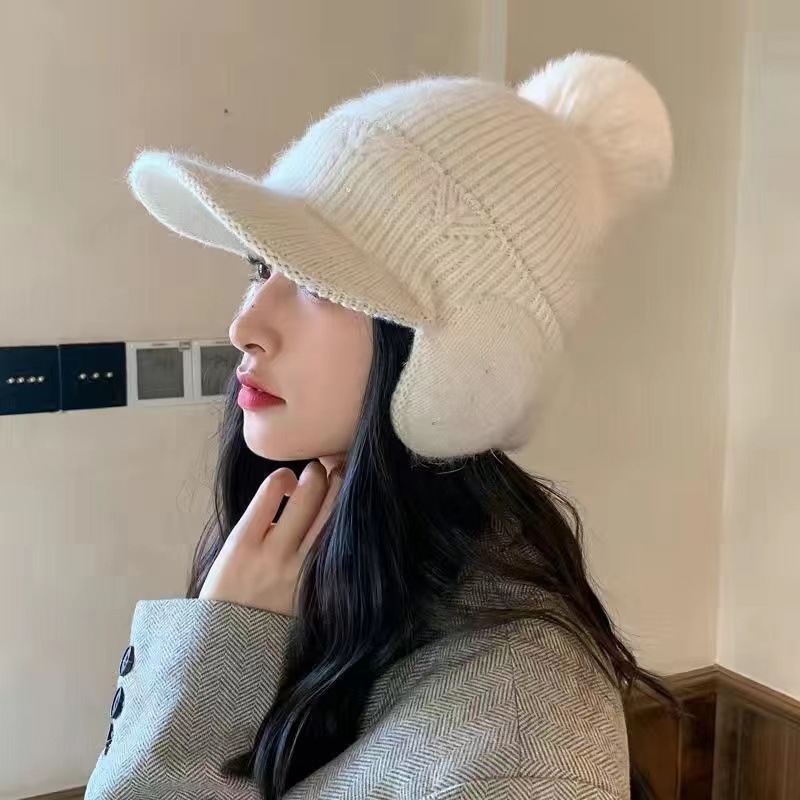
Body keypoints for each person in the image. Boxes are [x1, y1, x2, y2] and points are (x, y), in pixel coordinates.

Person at [86, 52, 675, 799]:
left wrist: (218, 658)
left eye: (317, 283)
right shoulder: (313, 555)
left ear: (451, 361)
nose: (245, 325)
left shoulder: (522, 737)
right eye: (262, 268)